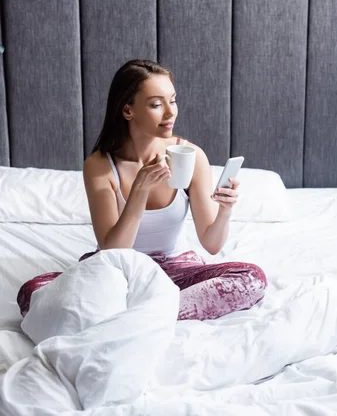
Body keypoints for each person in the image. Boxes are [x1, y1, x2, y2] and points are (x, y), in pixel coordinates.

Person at [17, 59, 266, 321]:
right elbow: (112, 250)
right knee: (32, 292)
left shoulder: (192, 156)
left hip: (174, 270)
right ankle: (147, 311)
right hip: (117, 272)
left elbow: (212, 245)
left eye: (173, 100)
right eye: (157, 104)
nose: (171, 113)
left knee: (251, 278)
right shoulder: (100, 166)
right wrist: (139, 191)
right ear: (128, 110)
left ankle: (139, 316)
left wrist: (225, 209)